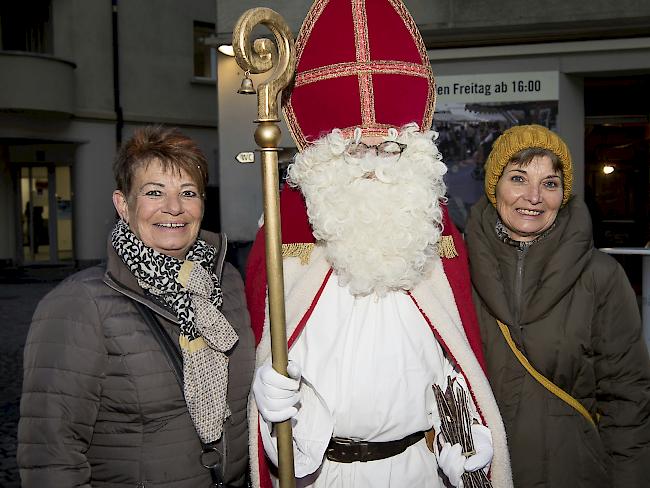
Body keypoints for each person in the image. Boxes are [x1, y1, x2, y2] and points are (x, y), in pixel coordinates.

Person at [244, 1, 513, 487]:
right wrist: (268, 400)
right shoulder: (289, 244)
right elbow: (265, 345)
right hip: (324, 476)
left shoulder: (430, 241)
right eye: (353, 147)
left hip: (419, 470)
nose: (372, 161)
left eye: (388, 146)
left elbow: (456, 363)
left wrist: (465, 440)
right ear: (323, 159)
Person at [18, 126, 255, 487]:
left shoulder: (228, 284)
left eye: (188, 193)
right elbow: (52, 455)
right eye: (154, 192)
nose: (174, 207)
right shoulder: (80, 304)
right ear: (123, 204)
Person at [465, 124, 650, 487]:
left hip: (574, 472)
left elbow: (628, 400)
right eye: (518, 178)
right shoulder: (457, 270)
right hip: (478, 475)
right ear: (494, 187)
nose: (533, 197)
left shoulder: (601, 276)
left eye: (549, 183)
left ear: (563, 194)